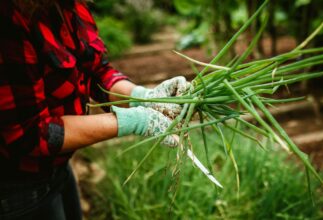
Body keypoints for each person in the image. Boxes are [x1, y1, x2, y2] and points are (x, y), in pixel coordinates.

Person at [0, 0, 188, 219]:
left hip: (58, 167)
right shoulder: (9, 20)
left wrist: (144, 96)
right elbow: (30, 134)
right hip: (17, 187)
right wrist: (137, 121)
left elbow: (96, 72)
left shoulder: (68, 6)